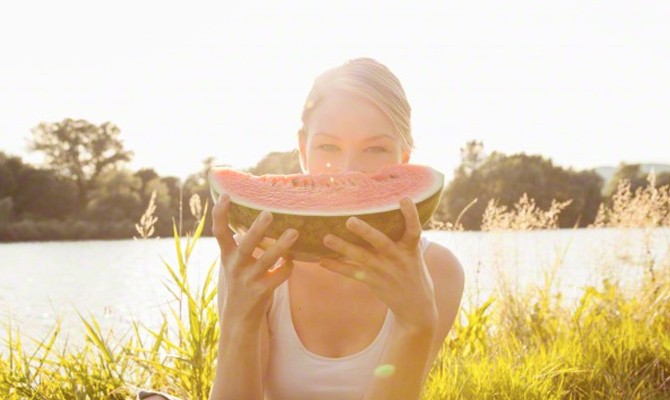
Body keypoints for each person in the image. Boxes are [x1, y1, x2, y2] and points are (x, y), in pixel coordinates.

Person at [138, 57, 465, 400]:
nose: (346, 171)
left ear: (403, 159)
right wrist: (240, 317)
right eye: (328, 146)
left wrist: (417, 325)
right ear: (303, 149)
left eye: (375, 148)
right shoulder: (257, 261)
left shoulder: (436, 272)